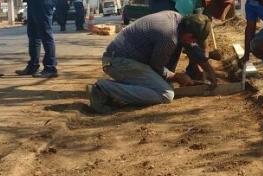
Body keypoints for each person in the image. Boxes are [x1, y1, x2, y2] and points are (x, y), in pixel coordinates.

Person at [88, 11, 216, 111]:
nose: (193, 43)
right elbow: (157, 67)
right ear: (189, 35)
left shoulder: (177, 19)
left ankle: (117, 93)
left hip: (124, 59)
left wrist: (210, 72)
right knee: (165, 94)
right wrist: (177, 76)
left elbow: (191, 48)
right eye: (193, 40)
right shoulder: (169, 37)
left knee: (162, 85)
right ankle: (103, 88)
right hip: (118, 62)